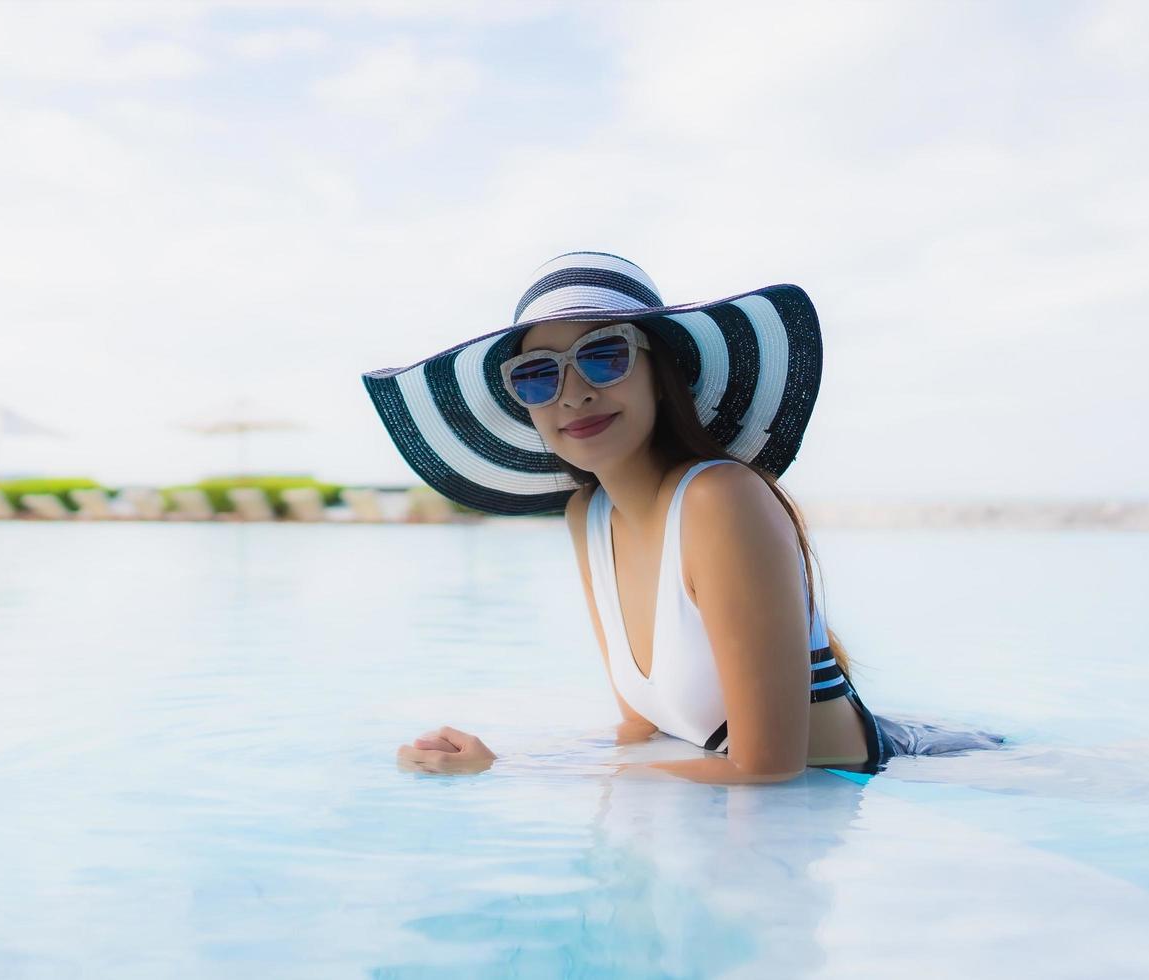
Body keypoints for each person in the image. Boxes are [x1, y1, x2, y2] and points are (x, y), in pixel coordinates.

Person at [362, 251, 1004, 783]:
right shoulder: (589, 515)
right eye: (536, 376)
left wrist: (513, 774)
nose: (574, 392)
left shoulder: (719, 499)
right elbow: (644, 731)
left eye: (604, 355)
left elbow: (767, 768)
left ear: (660, 372)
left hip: (911, 774)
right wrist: (505, 755)